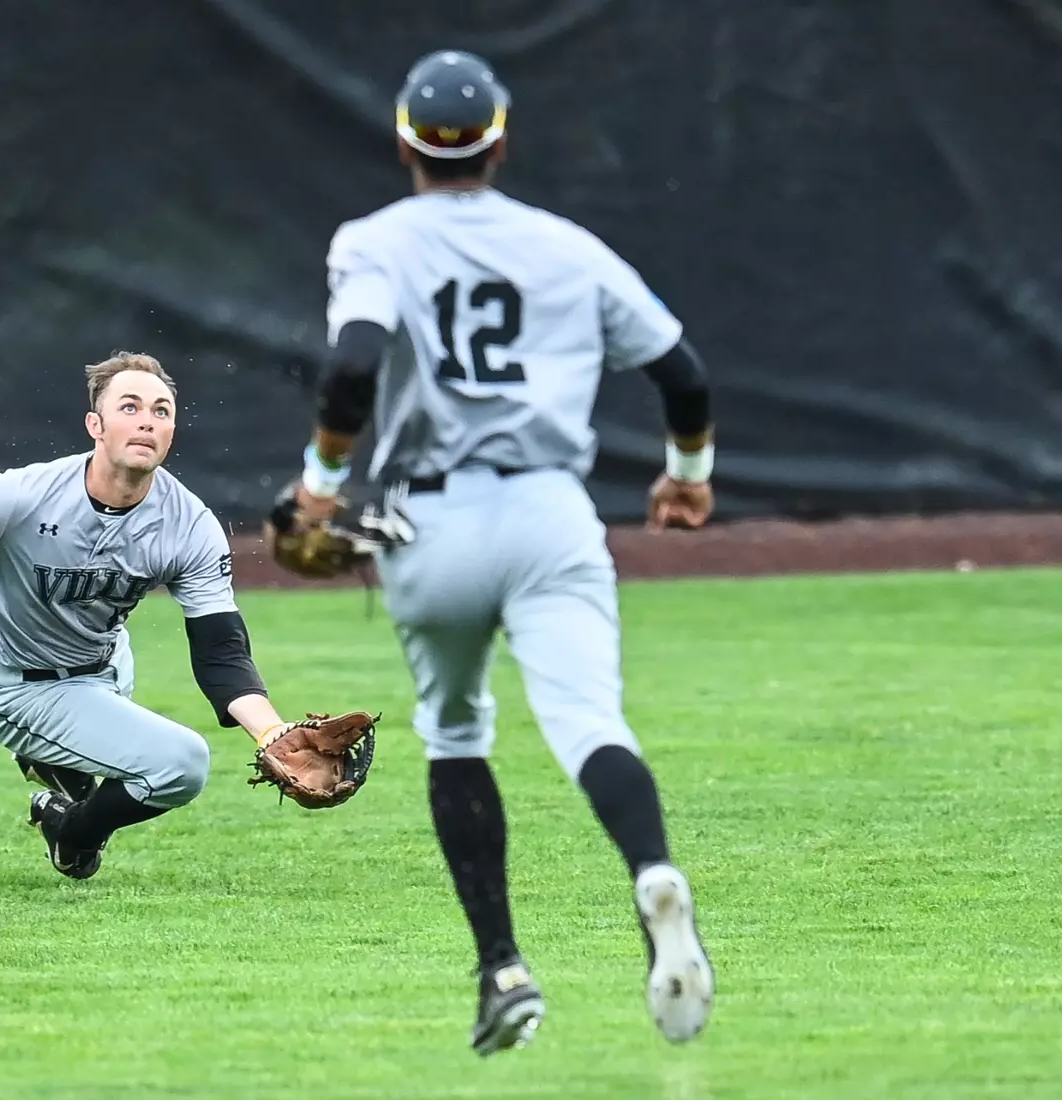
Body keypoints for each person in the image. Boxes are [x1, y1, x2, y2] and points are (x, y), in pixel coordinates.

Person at [286, 50, 716, 1055]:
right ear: (501, 141)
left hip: (421, 521)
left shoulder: (375, 239)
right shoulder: (567, 247)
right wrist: (686, 473)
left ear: (403, 142)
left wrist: (316, 481)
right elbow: (681, 372)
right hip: (546, 511)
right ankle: (649, 866)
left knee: (452, 732)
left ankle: (503, 967)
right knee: (585, 718)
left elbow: (352, 366)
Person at [0, 351, 309, 880]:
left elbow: (221, 651)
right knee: (183, 765)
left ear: (172, 431)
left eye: (161, 411)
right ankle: (74, 834)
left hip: (109, 671)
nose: (146, 420)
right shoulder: (24, 496)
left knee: (124, 757)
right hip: (20, 685)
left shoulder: (189, 524)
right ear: (95, 425)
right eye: (130, 406)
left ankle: (62, 780)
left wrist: (272, 732)